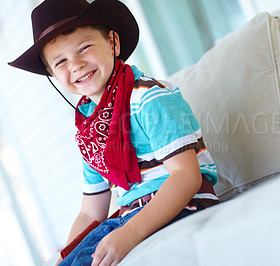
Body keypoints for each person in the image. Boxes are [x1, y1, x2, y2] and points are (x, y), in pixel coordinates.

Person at [8, 0, 219, 265]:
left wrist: (128, 234)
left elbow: (186, 177)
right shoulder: (90, 129)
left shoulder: (149, 98)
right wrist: (69, 254)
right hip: (129, 215)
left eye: (84, 48)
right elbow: (90, 212)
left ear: (112, 43)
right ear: (51, 73)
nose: (75, 64)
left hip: (185, 206)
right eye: (60, 62)